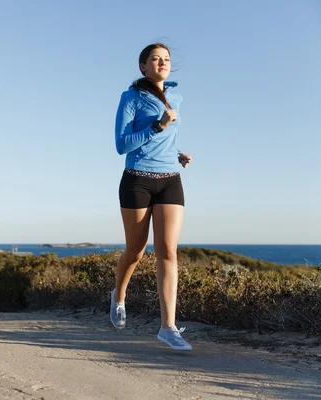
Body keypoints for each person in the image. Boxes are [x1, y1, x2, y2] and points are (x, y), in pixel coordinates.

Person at [111, 43, 193, 351]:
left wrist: (176, 153)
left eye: (166, 59)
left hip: (170, 179)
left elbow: (168, 136)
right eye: (155, 59)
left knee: (168, 252)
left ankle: (168, 327)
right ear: (143, 66)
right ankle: (119, 295)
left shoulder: (177, 96)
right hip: (137, 180)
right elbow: (122, 145)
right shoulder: (131, 97)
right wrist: (157, 127)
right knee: (135, 251)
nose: (162, 63)